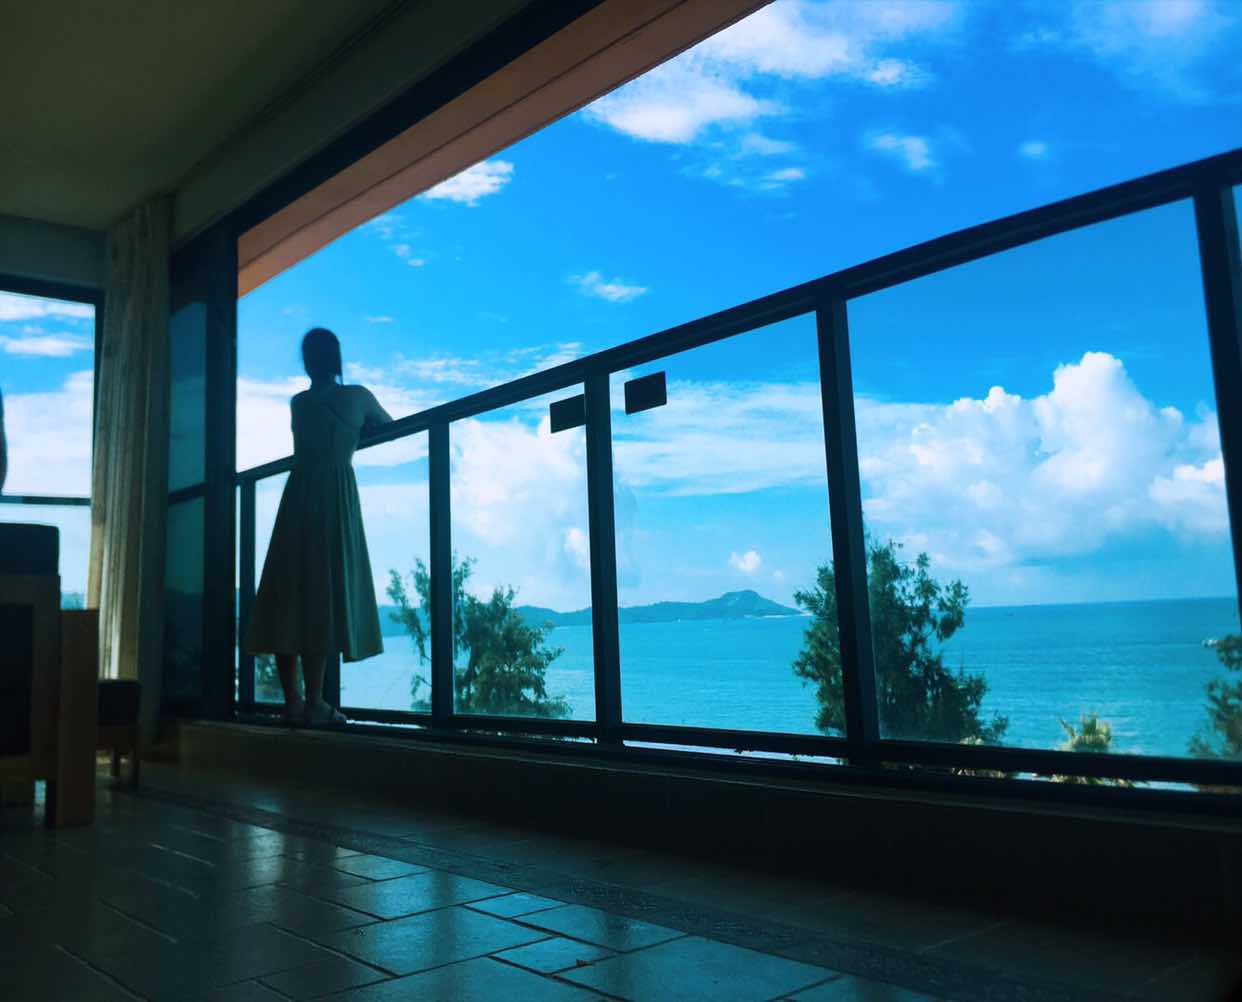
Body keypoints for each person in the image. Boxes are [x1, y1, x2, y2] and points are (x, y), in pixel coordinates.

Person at [245, 328, 392, 725]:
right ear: (336, 359)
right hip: (335, 500)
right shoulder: (357, 397)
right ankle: (315, 702)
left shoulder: (299, 403)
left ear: (307, 361)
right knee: (321, 595)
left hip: (297, 496)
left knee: (288, 594)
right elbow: (386, 423)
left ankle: (292, 701)